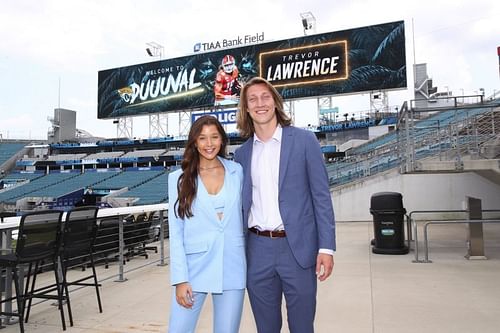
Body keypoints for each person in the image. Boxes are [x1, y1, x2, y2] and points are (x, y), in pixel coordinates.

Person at [234, 77, 336, 333]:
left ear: (276, 102)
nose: (260, 104)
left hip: (298, 249)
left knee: (302, 326)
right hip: (257, 251)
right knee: (266, 328)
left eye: (265, 97)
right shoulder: (241, 155)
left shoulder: (305, 141)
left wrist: (327, 247)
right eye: (252, 99)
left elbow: (321, 196)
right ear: (246, 108)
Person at [167, 115, 246, 333]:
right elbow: (176, 232)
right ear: (194, 142)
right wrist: (180, 280)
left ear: (222, 140)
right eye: (202, 138)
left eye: (214, 137)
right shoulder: (178, 179)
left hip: (232, 265)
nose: (209, 144)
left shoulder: (236, 171)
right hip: (193, 270)